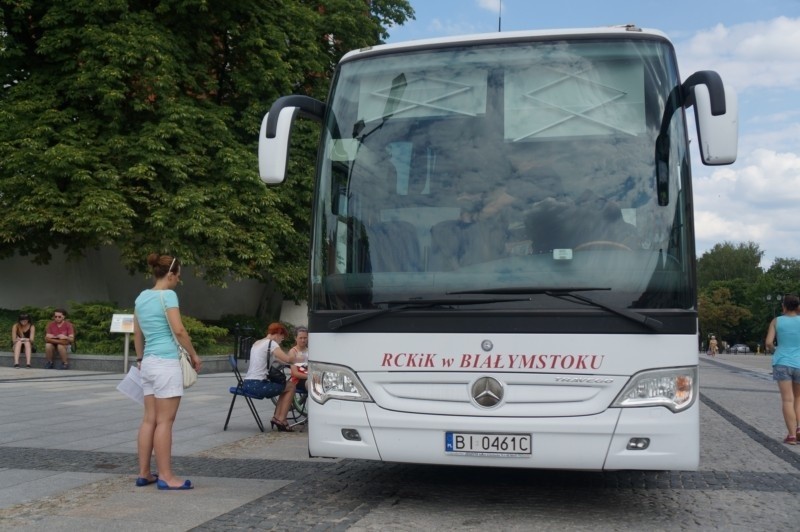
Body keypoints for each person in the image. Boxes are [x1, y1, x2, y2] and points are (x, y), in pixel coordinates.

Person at [133, 253, 202, 490]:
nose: (178, 281)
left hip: (149, 363)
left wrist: (140, 358)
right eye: (178, 277)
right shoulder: (168, 296)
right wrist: (193, 354)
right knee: (165, 421)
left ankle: (144, 473)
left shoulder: (141, 297)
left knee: (149, 419)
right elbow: (179, 330)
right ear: (171, 274)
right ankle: (166, 477)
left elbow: (138, 333)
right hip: (166, 363)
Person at [241, 322, 295, 431]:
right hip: (258, 386)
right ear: (278, 334)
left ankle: (277, 418)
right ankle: (281, 420)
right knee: (291, 386)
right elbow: (288, 359)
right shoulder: (272, 344)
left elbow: (276, 359)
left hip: (247, 384)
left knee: (286, 387)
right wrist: (303, 359)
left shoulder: (257, 343)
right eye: (282, 338)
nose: (281, 341)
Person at [765, 294, 800, 445]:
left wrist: (775, 350)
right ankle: (799, 428)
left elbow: (768, 343)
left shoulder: (777, 321)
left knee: (787, 399)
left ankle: (791, 435)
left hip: (782, 362)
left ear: (783, 306)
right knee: (799, 398)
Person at [272, 326, 309, 428]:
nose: (303, 340)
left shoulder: (310, 350)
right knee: (313, 386)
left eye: (305, 338)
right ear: (295, 338)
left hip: (310, 377)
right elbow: (295, 373)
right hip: (299, 380)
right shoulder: (293, 352)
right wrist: (309, 376)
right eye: (301, 338)